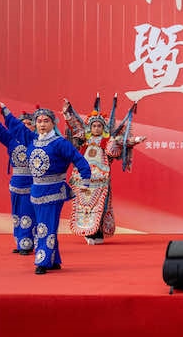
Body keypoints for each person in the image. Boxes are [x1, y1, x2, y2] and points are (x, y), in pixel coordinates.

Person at [1, 103, 92, 275]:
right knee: (43, 226)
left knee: (45, 226)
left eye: (46, 121)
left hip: (53, 192)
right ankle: (54, 260)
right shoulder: (32, 140)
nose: (42, 124)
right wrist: (3, 110)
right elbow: (17, 128)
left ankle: (42, 261)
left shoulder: (59, 143)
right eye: (39, 121)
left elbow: (79, 159)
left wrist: (86, 179)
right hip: (36, 192)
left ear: (53, 123)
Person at [62, 95, 146, 245]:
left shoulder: (108, 141)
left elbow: (123, 142)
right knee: (84, 206)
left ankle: (97, 232)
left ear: (103, 128)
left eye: (99, 126)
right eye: (94, 126)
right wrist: (68, 112)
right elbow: (74, 126)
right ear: (90, 127)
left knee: (100, 205)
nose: (96, 128)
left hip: (100, 180)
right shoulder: (85, 140)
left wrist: (136, 140)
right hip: (83, 179)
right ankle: (88, 232)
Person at [0, 111, 36, 255]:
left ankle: (27, 244)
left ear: (34, 126)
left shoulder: (37, 141)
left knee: (28, 213)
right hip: (15, 184)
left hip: (33, 184)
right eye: (23, 123)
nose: (26, 126)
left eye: (29, 123)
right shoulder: (11, 140)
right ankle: (21, 242)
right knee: (17, 215)